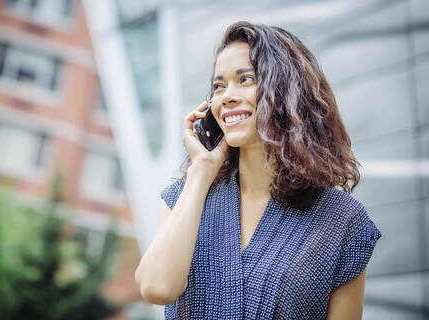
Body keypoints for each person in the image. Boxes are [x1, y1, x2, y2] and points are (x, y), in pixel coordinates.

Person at [135, 21, 382, 320]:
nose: (227, 96)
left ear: (287, 91)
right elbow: (156, 288)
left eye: (246, 79)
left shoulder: (342, 221)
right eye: (218, 86)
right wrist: (201, 170)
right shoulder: (183, 197)